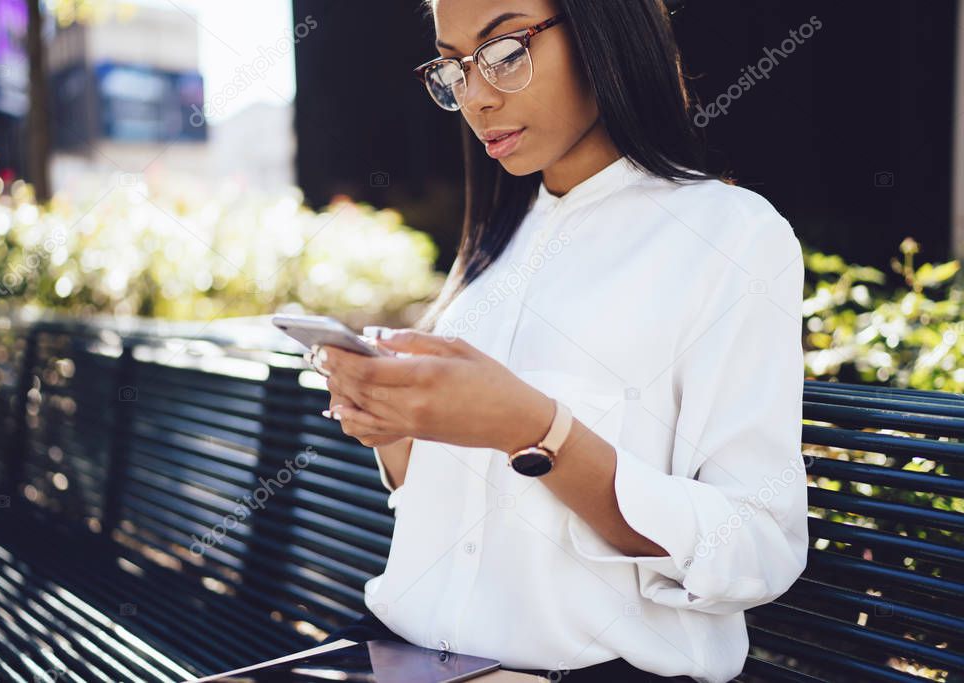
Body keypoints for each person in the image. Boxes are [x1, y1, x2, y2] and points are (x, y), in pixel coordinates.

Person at [308, 1, 808, 680]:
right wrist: (393, 425)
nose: (476, 98)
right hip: (402, 650)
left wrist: (535, 430)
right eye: (453, 68)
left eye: (506, 52)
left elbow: (758, 543)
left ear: (605, 27)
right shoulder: (493, 252)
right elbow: (444, 507)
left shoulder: (730, 237)